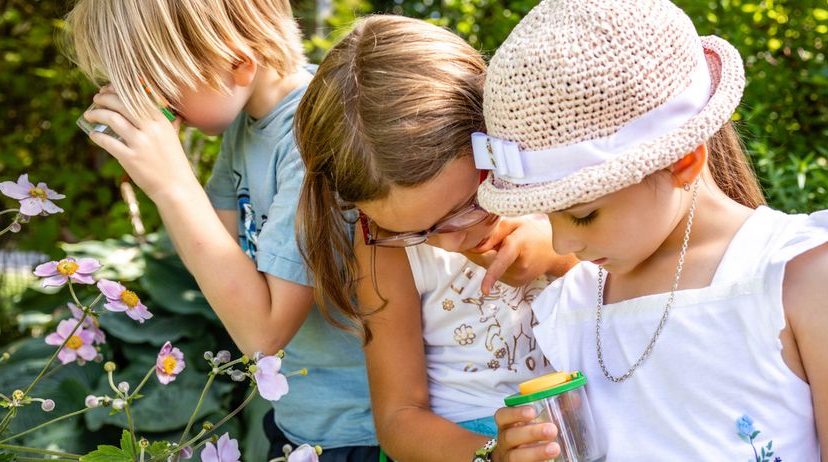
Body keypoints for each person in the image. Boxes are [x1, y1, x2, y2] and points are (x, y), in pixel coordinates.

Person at [474, 0, 828, 460]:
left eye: (583, 214)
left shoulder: (802, 275)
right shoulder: (575, 303)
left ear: (683, 160)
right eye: (545, 214)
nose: (562, 244)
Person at [65, 1, 378, 459]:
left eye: (156, 82)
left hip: (357, 435)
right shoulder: (248, 122)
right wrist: (165, 180)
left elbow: (264, 336)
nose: (146, 99)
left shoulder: (314, 135)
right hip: (299, 423)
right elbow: (214, 260)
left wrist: (173, 185)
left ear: (238, 64)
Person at [295, 15, 577, 462]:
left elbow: (647, 294)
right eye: (412, 232)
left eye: (466, 207)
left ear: (490, 137)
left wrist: (559, 255)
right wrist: (492, 454)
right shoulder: (380, 247)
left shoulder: (554, 179)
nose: (447, 244)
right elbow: (399, 418)